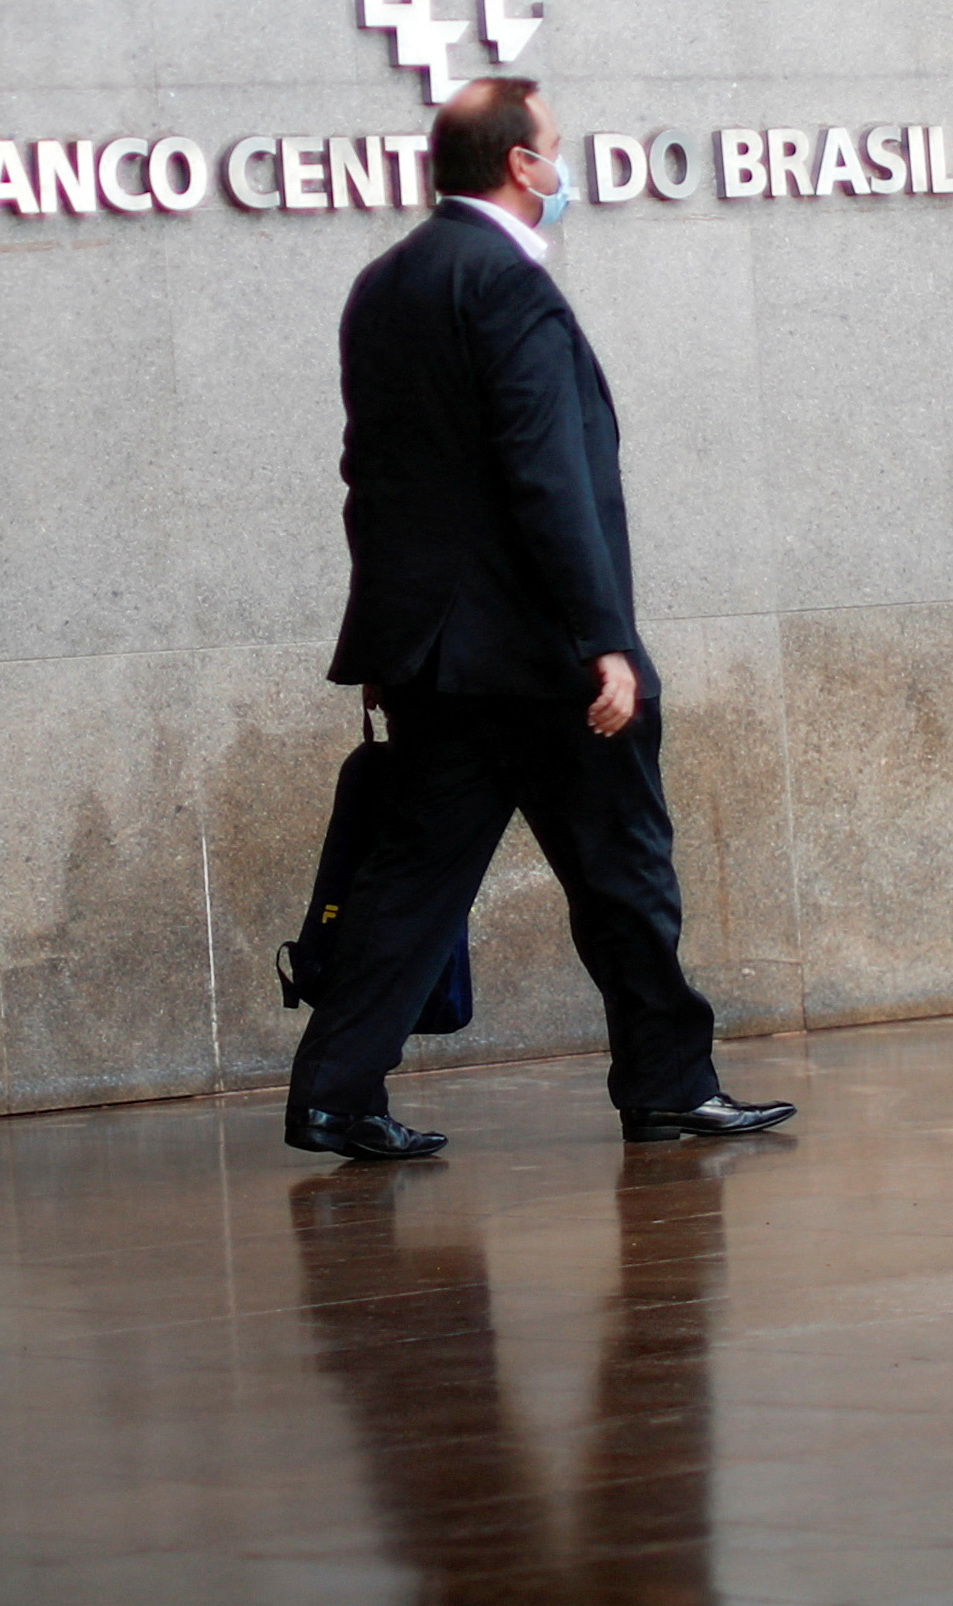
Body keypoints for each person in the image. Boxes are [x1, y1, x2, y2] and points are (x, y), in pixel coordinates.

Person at [284, 76, 793, 1163]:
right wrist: (603, 637)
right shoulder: (504, 284)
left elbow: (372, 476)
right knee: (626, 872)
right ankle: (668, 1084)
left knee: (413, 879)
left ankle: (332, 1093)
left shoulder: (386, 282)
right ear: (520, 164)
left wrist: (388, 643)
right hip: (538, 656)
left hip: (434, 656)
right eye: (554, 148)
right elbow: (547, 475)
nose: (562, 167)